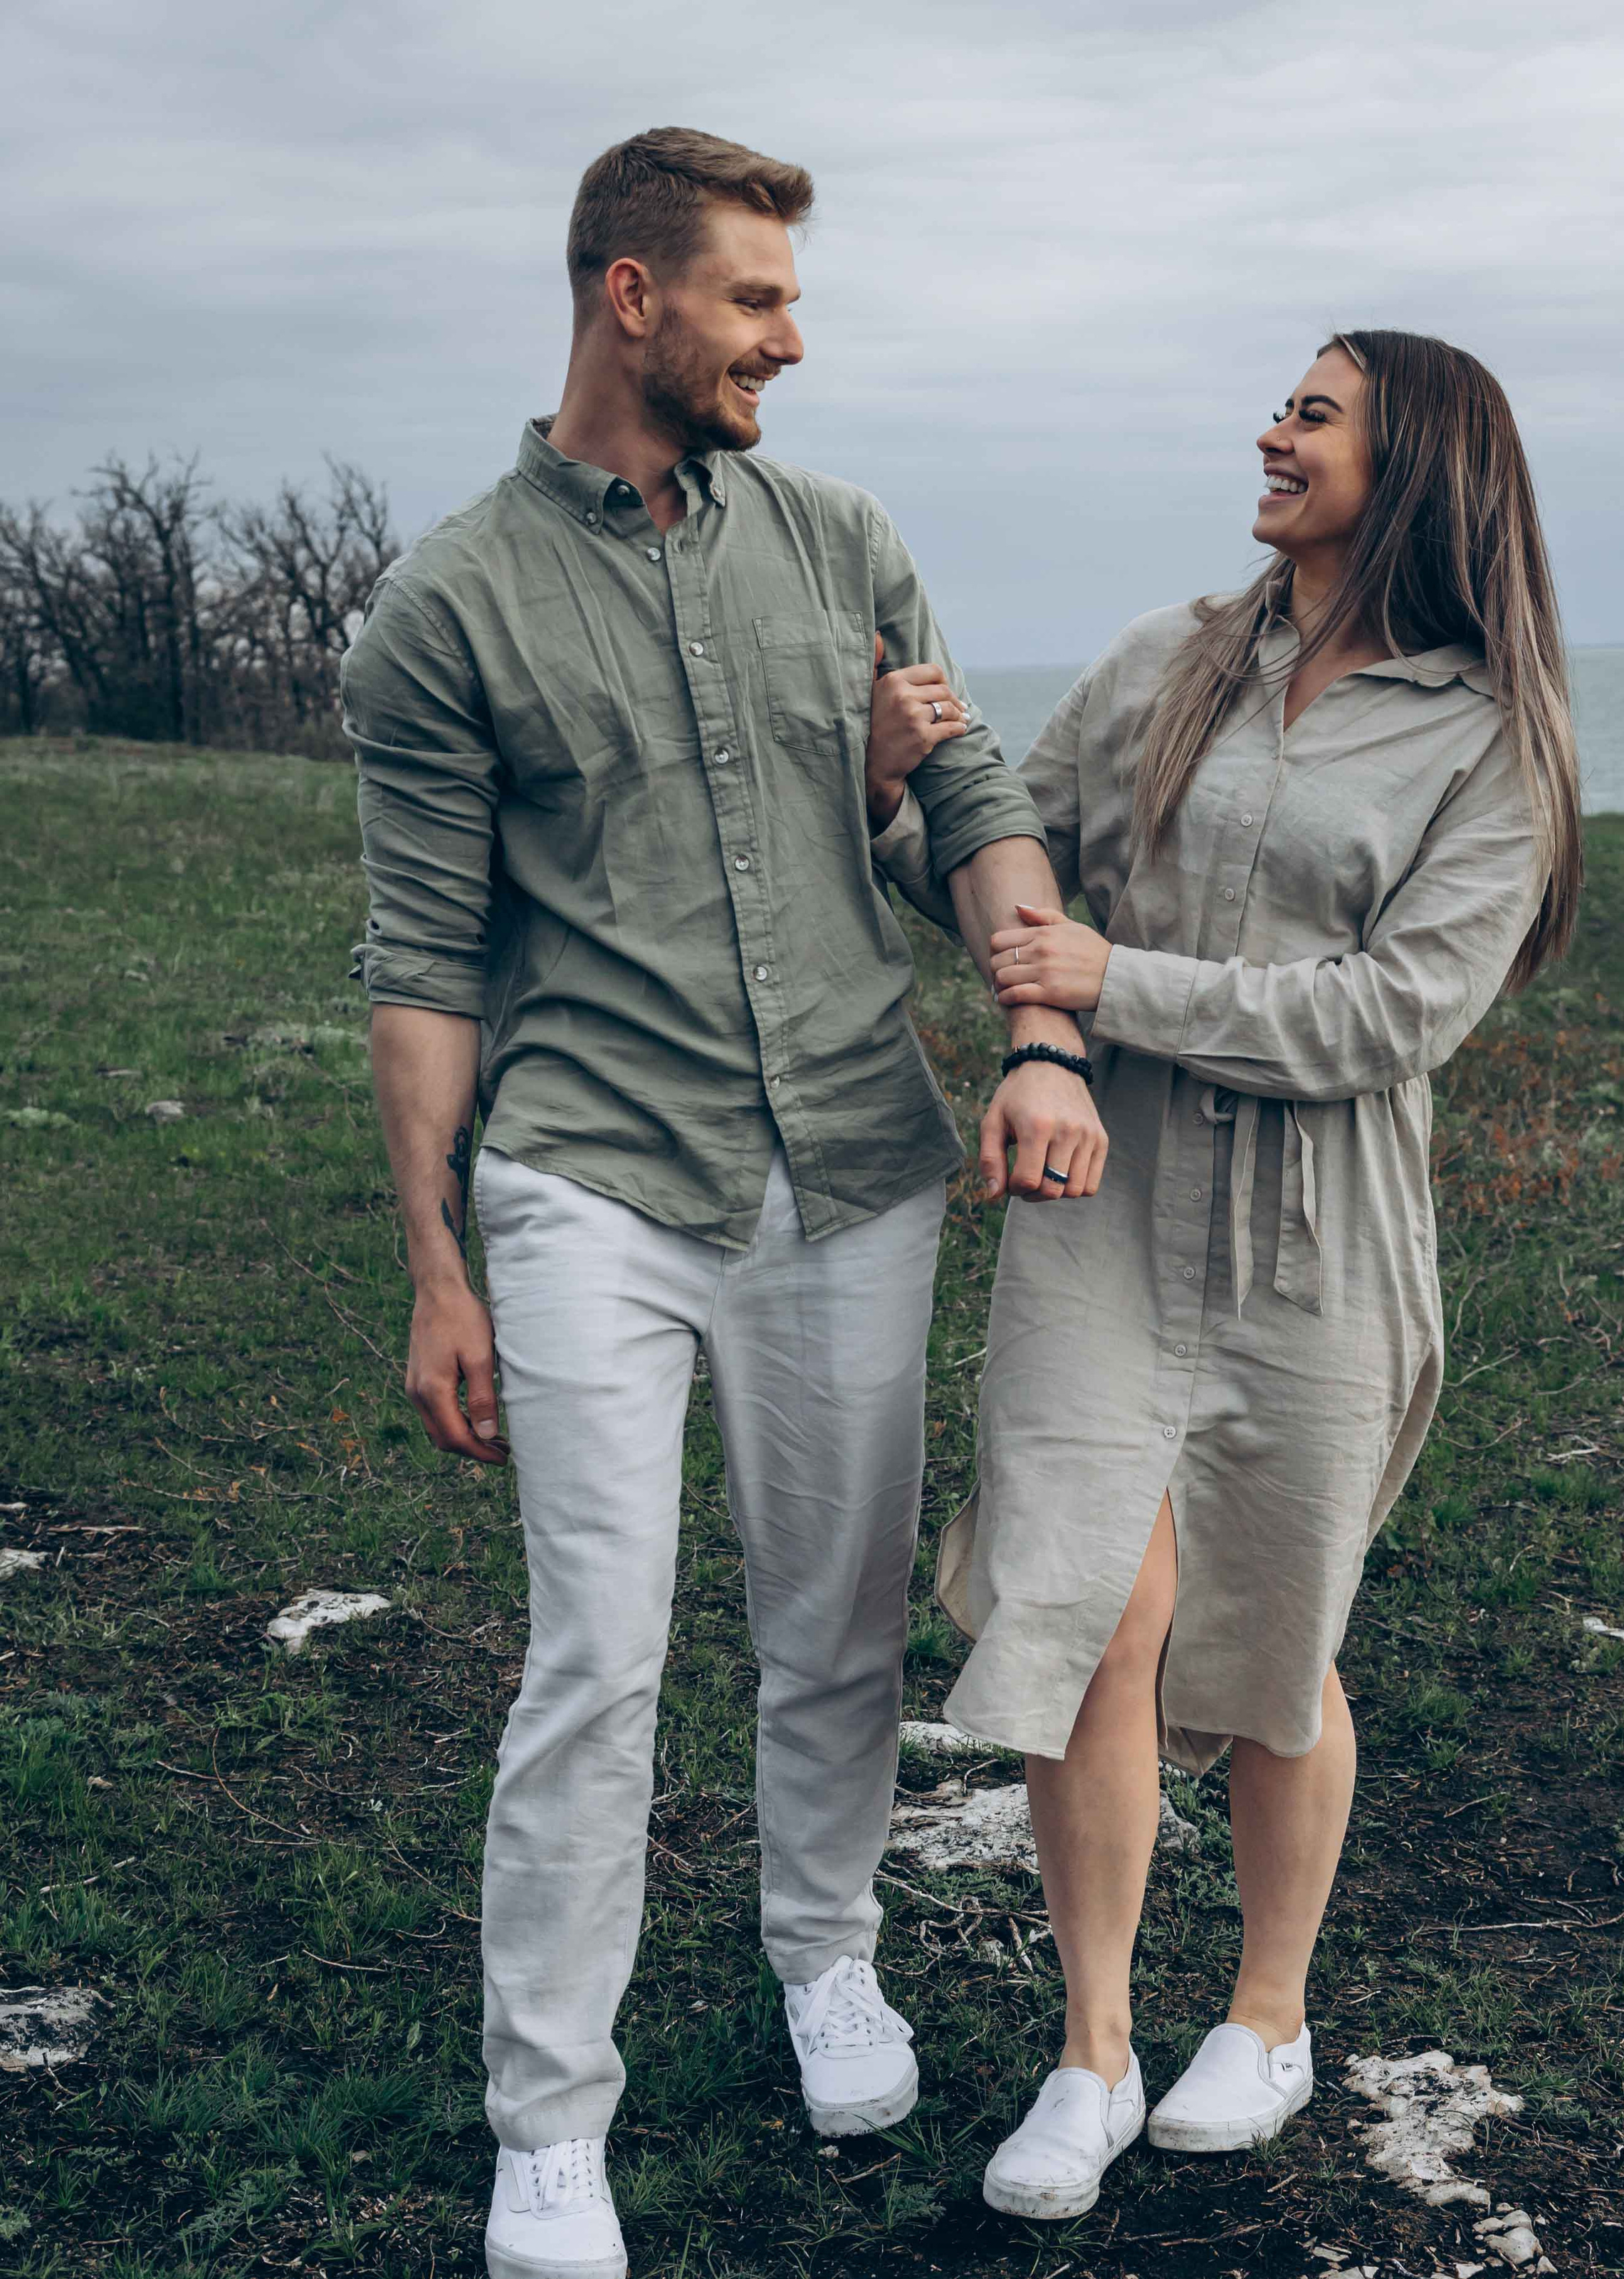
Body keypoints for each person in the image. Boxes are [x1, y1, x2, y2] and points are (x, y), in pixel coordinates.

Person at [342, 127, 1104, 2279]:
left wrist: (1038, 1018)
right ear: (631, 297)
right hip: (592, 1174)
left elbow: (971, 805)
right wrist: (434, 1265)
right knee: (595, 1659)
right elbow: (418, 955)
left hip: (855, 1160)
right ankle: (550, 2119)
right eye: (759, 299)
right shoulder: (446, 605)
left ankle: (822, 1956)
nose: (794, 335)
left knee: (835, 1624)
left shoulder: (844, 535)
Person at [874, 328, 1582, 2219]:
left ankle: (1266, 2015)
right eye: (1283, 401)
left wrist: (1120, 988)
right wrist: (900, 810)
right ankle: (1092, 2049)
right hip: (1104, 1198)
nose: (1271, 431)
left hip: (1324, 1230)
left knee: (1275, 1640)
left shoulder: (1486, 735)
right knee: (1091, 1604)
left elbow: (1401, 1011)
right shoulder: (1166, 659)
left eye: (1316, 411)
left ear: (1417, 465)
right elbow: (1015, 868)